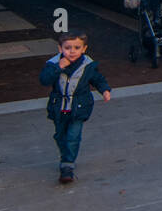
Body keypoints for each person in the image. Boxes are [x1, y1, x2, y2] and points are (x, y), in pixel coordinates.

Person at [41, 32, 111, 184]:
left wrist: (104, 90)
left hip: (79, 107)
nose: (72, 51)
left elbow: (97, 79)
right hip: (58, 107)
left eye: (77, 47)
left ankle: (67, 165)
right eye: (67, 48)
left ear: (84, 49)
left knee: (73, 136)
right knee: (60, 135)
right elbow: (44, 80)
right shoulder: (53, 63)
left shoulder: (88, 65)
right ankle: (65, 155)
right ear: (60, 49)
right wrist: (58, 67)